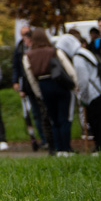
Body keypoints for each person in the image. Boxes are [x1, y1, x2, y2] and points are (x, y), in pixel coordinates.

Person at [20, 26, 77, 155]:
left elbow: (31, 78)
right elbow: (69, 69)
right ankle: (66, 147)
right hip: (60, 84)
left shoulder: (27, 56)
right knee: (64, 117)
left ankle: (58, 148)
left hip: (43, 85)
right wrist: (75, 84)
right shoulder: (54, 51)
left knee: (53, 119)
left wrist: (38, 93)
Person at [54, 33, 101, 155]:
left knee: (96, 121)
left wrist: (83, 97)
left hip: (93, 93)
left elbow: (83, 79)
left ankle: (100, 147)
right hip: (99, 90)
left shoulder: (77, 57)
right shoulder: (84, 51)